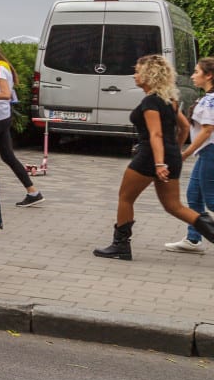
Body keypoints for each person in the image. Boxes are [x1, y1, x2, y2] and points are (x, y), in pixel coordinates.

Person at [92, 54, 214, 260]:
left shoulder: (150, 102)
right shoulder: (171, 101)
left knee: (125, 197)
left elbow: (155, 134)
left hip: (150, 156)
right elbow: (183, 127)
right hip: (171, 156)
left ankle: (120, 246)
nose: (134, 75)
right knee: (174, 207)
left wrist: (159, 162)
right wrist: (172, 150)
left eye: (138, 71)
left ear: (149, 75)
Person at [0, 41, 43, 208]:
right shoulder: (2, 67)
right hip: (2, 117)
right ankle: (33, 192)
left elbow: (5, 94)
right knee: (7, 156)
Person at [167, 56, 214, 253]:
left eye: (196, 72)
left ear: (209, 75)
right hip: (206, 153)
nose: (193, 76)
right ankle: (194, 238)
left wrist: (186, 152)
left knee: (211, 199)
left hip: (210, 152)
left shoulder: (211, 100)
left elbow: (207, 130)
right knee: (194, 194)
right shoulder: (207, 97)